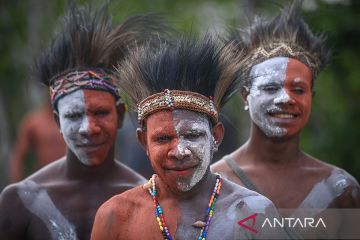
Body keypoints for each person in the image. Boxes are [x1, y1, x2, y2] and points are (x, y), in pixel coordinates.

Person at [0, 3, 170, 239]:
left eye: (100, 113)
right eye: (73, 115)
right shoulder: (21, 200)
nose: (88, 128)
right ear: (57, 122)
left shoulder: (149, 200)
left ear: (119, 115)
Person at [91, 37, 286, 240]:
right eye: (163, 138)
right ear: (143, 142)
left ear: (216, 137)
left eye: (193, 135)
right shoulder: (116, 216)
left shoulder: (254, 212)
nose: (180, 151)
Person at [211, 1, 360, 238]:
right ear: (245, 96)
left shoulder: (340, 188)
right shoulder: (213, 185)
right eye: (270, 88)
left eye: (298, 90)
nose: (285, 99)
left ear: (311, 97)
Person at [9, 101, 66, 183]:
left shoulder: (73, 120)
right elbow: (18, 155)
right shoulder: (34, 122)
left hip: (73, 177)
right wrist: (16, 183)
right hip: (46, 180)